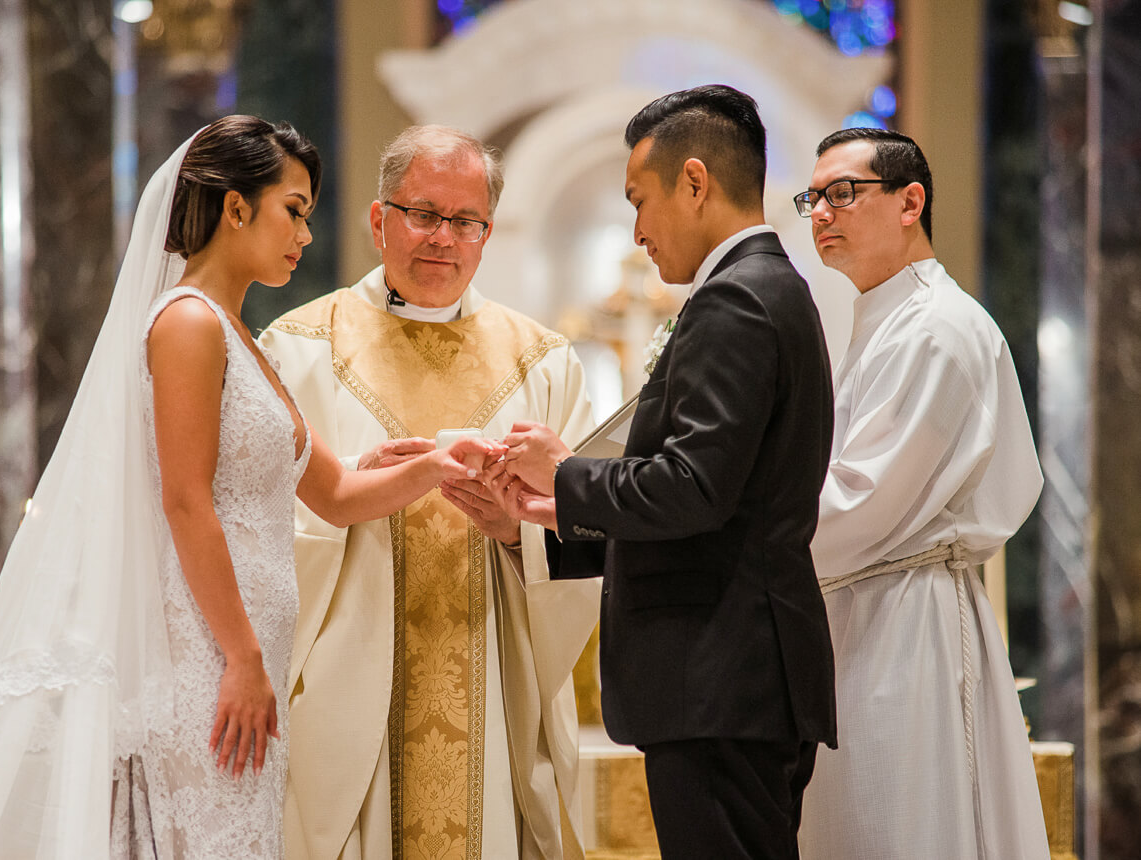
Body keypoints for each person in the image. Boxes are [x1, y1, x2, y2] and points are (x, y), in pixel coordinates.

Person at [0, 116, 497, 860]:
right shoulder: (189, 324)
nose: (305, 236)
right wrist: (243, 660)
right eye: (294, 210)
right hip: (209, 661)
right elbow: (186, 503)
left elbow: (338, 494)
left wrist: (440, 466)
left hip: (244, 658)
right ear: (235, 208)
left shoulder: (239, 335)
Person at [485, 85, 837, 860]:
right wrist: (544, 516)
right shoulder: (767, 290)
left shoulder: (736, 301)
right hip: (735, 676)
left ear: (697, 182)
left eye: (640, 201)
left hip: (719, 677)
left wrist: (566, 471)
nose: (637, 232)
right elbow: (720, 501)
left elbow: (693, 489)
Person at [257, 125, 598, 859]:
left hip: (494, 694)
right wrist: (349, 487)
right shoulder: (300, 349)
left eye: (465, 221)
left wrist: (518, 531)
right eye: (423, 213)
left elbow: (591, 530)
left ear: (488, 233)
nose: (443, 238)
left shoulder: (543, 363)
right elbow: (251, 523)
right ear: (380, 219)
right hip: (354, 702)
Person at [792, 128, 1049, 859]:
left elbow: (860, 502)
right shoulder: (887, 320)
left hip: (906, 625)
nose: (821, 213)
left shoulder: (934, 329)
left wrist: (729, 527)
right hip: (864, 609)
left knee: (899, 827)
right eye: (813, 198)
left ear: (911, 201)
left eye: (843, 193)